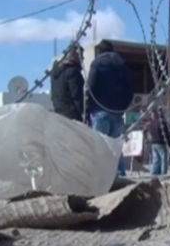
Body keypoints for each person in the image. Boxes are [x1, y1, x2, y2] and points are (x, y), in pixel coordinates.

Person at [86, 40, 134, 176]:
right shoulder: (122, 65)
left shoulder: (97, 64)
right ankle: (119, 176)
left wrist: (89, 106)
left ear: (99, 52)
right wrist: (123, 106)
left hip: (100, 110)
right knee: (116, 147)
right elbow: (130, 89)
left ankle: (98, 176)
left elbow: (91, 85)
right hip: (117, 112)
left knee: (99, 146)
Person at [50, 44, 84, 121]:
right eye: (81, 57)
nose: (83, 59)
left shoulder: (55, 72)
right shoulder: (73, 72)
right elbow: (76, 95)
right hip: (72, 115)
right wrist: (82, 112)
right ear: (75, 56)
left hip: (59, 112)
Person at [146, 107, 170, 176]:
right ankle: (163, 173)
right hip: (161, 142)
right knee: (163, 158)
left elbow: (147, 132)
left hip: (153, 143)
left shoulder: (150, 123)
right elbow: (166, 134)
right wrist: (169, 144)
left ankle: (154, 172)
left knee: (156, 159)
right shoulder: (161, 123)